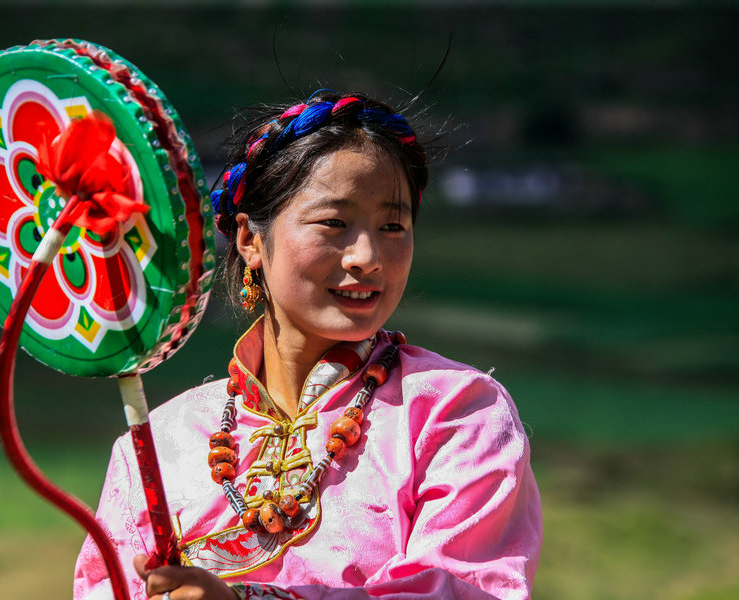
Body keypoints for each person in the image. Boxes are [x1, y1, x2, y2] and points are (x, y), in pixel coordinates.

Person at [73, 91, 542, 600]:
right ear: (251, 239)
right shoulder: (159, 443)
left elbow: (465, 589)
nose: (367, 256)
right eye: (334, 223)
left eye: (393, 226)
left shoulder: (454, 413)